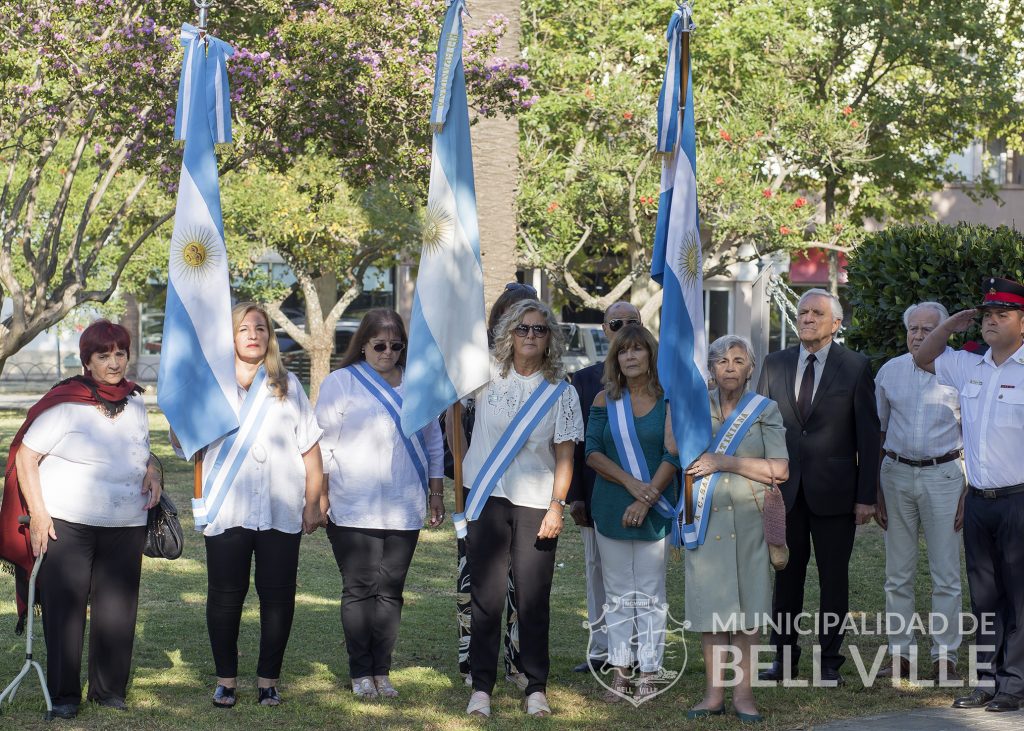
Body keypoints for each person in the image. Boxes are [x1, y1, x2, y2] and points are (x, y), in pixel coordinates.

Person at [0, 320, 160, 719]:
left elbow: (143, 451)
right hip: (67, 523)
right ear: (87, 360)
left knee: (117, 609)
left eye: (120, 353)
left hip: (126, 522)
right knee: (66, 610)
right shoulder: (66, 401)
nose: (114, 362)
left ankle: (108, 692)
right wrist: (38, 514)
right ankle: (65, 696)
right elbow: (26, 456)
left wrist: (153, 471)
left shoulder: (136, 402)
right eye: (104, 355)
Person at [180, 302, 324, 709]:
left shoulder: (288, 385)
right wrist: (180, 413)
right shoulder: (210, 386)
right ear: (230, 336)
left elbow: (311, 450)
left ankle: (268, 681)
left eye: (260, 327)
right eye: (244, 328)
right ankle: (226, 679)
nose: (253, 334)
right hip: (227, 509)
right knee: (225, 597)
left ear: (269, 336)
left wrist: (313, 501)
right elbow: (184, 442)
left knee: (277, 597)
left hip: (280, 509)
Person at [460, 299, 583, 718]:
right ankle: (481, 687)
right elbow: (447, 399)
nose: (531, 336)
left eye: (539, 330)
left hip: (536, 503)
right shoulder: (484, 378)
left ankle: (535, 687)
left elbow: (565, 458)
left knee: (533, 599)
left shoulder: (562, 393)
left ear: (551, 338)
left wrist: (557, 506)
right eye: (523, 329)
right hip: (486, 498)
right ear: (508, 334)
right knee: (486, 598)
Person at [316, 309, 445, 699]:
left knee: (391, 591)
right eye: (379, 345)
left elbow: (434, 443)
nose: (387, 352)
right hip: (352, 504)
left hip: (404, 506)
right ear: (364, 344)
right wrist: (319, 496)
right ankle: (360, 672)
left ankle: (381, 670)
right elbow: (321, 445)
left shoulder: (418, 384)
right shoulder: (341, 383)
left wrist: (436, 492)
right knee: (359, 589)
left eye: (396, 345)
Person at [756, 288, 880, 685]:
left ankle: (829, 661)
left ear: (836, 323)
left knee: (833, 579)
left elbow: (868, 437)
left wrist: (865, 497)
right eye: (802, 312)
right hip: (784, 492)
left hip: (837, 494)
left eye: (816, 313)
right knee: (786, 577)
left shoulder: (856, 366)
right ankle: (783, 658)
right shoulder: (774, 364)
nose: (807, 318)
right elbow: (758, 427)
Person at [914, 276, 1024, 713]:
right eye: (987, 315)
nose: (992, 322)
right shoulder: (968, 363)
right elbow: (923, 357)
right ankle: (985, 680)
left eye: (1003, 314)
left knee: (1018, 597)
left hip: (1019, 500)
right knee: (984, 598)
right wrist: (949, 325)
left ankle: (1014, 685)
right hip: (979, 500)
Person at [678, 335, 788, 722]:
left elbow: (780, 469)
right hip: (704, 519)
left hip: (750, 522)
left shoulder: (765, 409)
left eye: (738, 360)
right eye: (721, 360)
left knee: (750, 610)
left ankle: (744, 695)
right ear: (710, 367)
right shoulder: (692, 406)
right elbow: (675, 452)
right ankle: (712, 696)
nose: (729, 366)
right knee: (712, 610)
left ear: (750, 368)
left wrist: (726, 461)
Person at [585, 323, 679, 703]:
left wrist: (646, 498)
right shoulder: (603, 401)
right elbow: (591, 451)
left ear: (650, 355)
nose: (630, 356)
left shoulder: (669, 400)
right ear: (616, 358)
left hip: (656, 508)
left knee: (651, 591)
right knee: (619, 592)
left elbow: (674, 453)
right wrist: (630, 486)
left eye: (638, 349)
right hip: (610, 507)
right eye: (624, 351)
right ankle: (622, 670)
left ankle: (651, 670)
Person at [874, 302, 965, 681]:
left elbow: (975, 436)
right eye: (913, 328)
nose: (919, 335)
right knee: (898, 573)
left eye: (928, 329)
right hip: (895, 475)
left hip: (945, 476)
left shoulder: (961, 371)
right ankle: (900, 654)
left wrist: (967, 491)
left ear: (943, 331)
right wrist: (876, 490)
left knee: (945, 573)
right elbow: (879, 431)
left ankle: (945, 657)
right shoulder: (889, 372)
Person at [454, 280, 537, 690]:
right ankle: (473, 661)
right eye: (513, 318)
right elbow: (457, 426)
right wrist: (468, 469)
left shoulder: (543, 368)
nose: (524, 331)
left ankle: (518, 662)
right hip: (481, 487)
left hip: (527, 492)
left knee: (522, 584)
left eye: (530, 321)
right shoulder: (478, 366)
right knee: (477, 581)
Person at [568, 301, 642, 675]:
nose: (624, 328)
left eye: (632, 322)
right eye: (617, 322)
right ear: (604, 328)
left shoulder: (657, 380)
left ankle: (637, 649)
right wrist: (575, 495)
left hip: (647, 494)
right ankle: (601, 649)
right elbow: (576, 444)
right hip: (597, 494)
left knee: (641, 573)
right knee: (598, 570)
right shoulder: (582, 381)